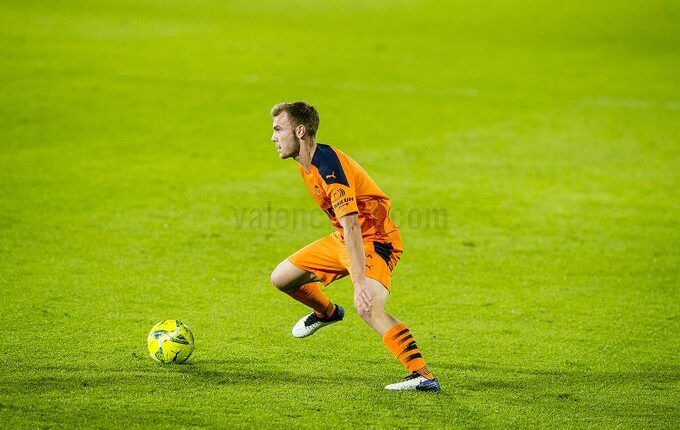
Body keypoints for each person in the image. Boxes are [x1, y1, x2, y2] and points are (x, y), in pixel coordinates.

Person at [269, 101, 440, 392]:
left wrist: (359, 283)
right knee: (281, 278)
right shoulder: (306, 162)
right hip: (346, 239)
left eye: (278, 129)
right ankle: (327, 313)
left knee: (368, 305)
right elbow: (345, 229)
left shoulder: (329, 170)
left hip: (375, 240)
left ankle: (422, 375)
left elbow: (352, 224)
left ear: (299, 130)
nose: (273, 137)